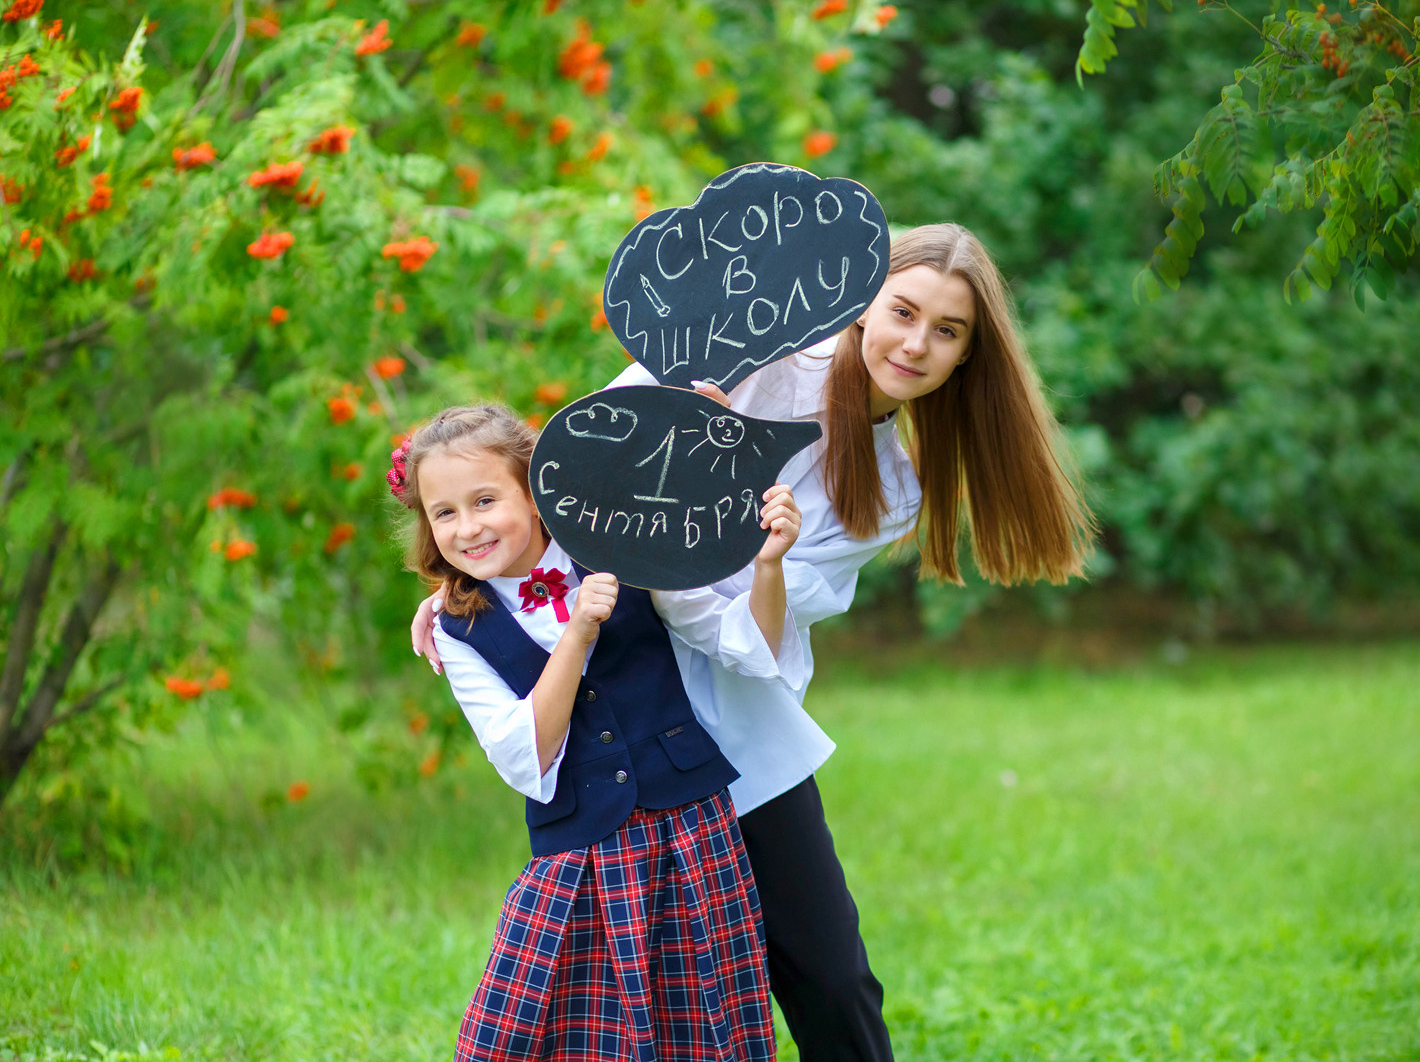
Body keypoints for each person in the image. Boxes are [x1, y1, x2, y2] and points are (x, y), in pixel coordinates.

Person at [413, 223, 1096, 1061]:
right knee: (640, 998)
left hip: (735, 726)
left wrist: (708, 503)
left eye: (946, 331)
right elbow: (569, 473)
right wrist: (472, 589)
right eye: (902, 310)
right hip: (620, 712)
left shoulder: (892, 490)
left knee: (829, 974)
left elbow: (744, 616)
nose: (914, 342)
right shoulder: (752, 342)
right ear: (859, 306)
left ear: (966, 357)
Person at [392, 403, 804, 1062]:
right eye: (444, 512)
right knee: (520, 1035)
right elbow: (526, 756)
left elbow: (748, 648)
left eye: (486, 499)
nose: (467, 526)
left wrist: (768, 566)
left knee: (700, 1024)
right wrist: (577, 633)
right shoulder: (455, 628)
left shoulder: (621, 547)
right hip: (580, 853)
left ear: (535, 490)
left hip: (688, 829)